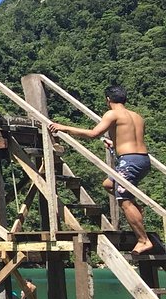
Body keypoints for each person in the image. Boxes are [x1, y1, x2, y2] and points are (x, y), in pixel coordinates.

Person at [50, 86, 156, 255]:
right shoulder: (137, 116)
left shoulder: (112, 114)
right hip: (142, 160)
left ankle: (143, 240)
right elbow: (131, 140)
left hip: (129, 162)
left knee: (123, 200)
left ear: (108, 99)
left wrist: (64, 127)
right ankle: (137, 208)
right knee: (109, 185)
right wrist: (114, 145)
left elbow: (93, 134)